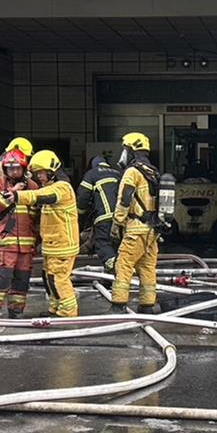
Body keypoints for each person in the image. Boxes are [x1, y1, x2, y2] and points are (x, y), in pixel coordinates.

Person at [5, 149, 80, 318]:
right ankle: (56, 307)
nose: (39, 177)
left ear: (52, 171)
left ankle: (68, 311)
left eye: (41, 172)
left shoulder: (62, 188)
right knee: (49, 278)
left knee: (58, 278)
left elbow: (41, 196)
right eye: (37, 173)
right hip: (53, 244)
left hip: (62, 245)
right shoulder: (51, 187)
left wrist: (17, 196)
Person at [109, 132, 163, 316]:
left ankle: (118, 305)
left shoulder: (132, 172)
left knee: (123, 264)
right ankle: (148, 304)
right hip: (152, 230)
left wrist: (117, 223)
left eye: (125, 150)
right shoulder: (153, 171)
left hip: (135, 228)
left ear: (131, 151)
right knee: (147, 267)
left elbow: (124, 199)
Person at [0, 149, 37, 318]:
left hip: (26, 241)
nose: (14, 171)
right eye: (10, 168)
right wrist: (13, 191)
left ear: (24, 168)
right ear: (5, 169)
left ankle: (16, 309)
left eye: (17, 168)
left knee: (22, 277)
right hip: (6, 239)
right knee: (4, 273)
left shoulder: (32, 186)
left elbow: (36, 213)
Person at [78, 154, 123, 272]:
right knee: (118, 245)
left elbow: (83, 196)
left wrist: (80, 212)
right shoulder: (118, 174)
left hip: (104, 217)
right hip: (122, 218)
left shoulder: (92, 174)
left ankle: (114, 267)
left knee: (102, 243)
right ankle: (118, 272)